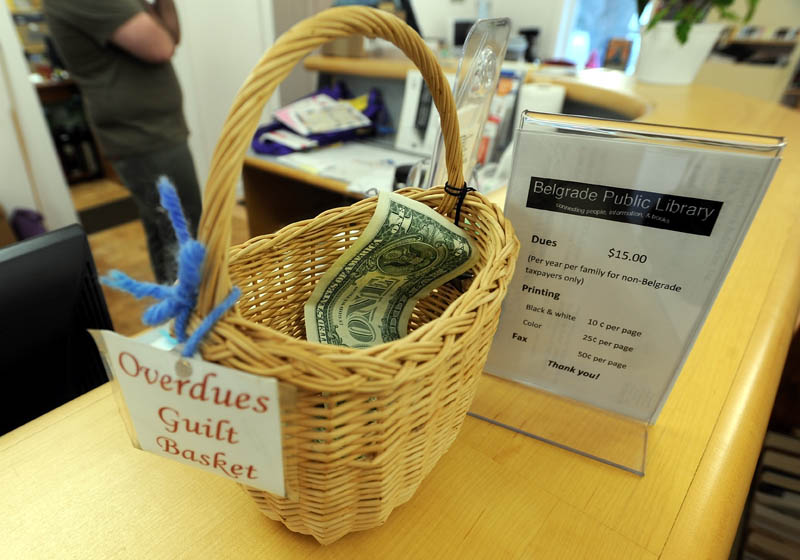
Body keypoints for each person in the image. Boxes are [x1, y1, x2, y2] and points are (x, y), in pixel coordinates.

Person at [43, 0, 202, 284]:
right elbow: (161, 46)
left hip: (151, 132)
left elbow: (170, 37)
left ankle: (180, 316)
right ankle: (191, 319)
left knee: (166, 229)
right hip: (143, 135)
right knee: (182, 231)